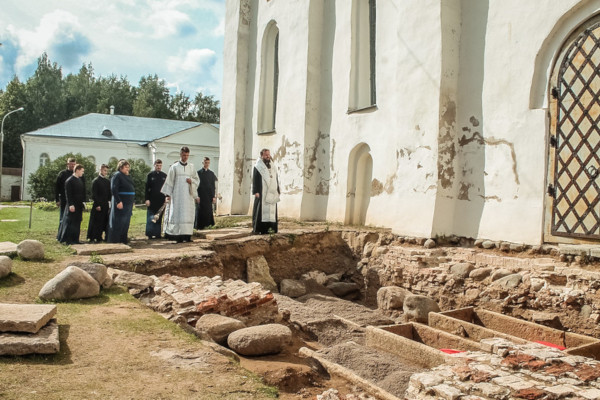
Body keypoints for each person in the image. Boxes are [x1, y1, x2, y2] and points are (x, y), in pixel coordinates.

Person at [161, 147, 199, 243]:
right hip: (177, 196)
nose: (185, 157)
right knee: (177, 214)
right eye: (183, 155)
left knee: (188, 215)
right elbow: (169, 181)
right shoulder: (174, 167)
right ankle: (177, 236)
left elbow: (197, 180)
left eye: (187, 155)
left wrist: (192, 181)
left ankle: (187, 236)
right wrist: (168, 194)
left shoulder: (191, 167)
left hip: (188, 196)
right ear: (180, 154)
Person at [252, 148, 280, 234]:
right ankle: (259, 229)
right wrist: (256, 191)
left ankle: (271, 229)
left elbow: (276, 178)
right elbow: (255, 179)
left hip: (271, 192)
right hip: (261, 192)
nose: (268, 156)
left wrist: (278, 189)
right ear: (262, 155)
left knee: (271, 210)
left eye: (269, 154)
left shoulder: (273, 165)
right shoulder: (258, 166)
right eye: (266, 155)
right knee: (260, 211)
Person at [107, 159, 135, 244]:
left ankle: (123, 239)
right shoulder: (117, 175)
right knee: (118, 221)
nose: (128, 169)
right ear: (121, 167)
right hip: (121, 202)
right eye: (126, 167)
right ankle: (115, 240)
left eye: (128, 167)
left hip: (128, 203)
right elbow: (114, 189)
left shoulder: (126, 176)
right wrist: (118, 201)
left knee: (125, 222)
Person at [57, 164, 86, 244]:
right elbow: (68, 194)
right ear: (77, 170)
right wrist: (70, 204)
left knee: (77, 222)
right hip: (72, 204)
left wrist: (83, 202)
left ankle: (75, 239)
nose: (82, 173)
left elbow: (81, 193)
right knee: (71, 222)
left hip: (78, 205)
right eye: (82, 171)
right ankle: (68, 240)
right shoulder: (69, 180)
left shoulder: (79, 180)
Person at [86, 164, 111, 242]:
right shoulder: (96, 181)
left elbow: (109, 194)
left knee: (103, 221)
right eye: (104, 170)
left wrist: (109, 203)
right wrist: (97, 204)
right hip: (98, 204)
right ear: (100, 170)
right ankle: (93, 237)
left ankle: (99, 237)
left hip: (105, 204)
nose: (106, 172)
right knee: (96, 221)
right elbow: (94, 194)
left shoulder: (107, 181)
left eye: (107, 171)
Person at [145, 159, 167, 239]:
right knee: (151, 216)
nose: (159, 167)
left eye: (160, 165)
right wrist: (147, 199)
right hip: (151, 199)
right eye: (157, 165)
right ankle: (150, 234)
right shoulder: (150, 175)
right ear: (154, 165)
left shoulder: (164, 176)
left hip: (161, 200)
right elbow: (147, 188)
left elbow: (166, 188)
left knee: (159, 217)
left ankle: (157, 234)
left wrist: (166, 197)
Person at [55, 157, 76, 239]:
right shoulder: (62, 174)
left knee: (72, 219)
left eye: (74, 164)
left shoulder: (76, 174)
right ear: (67, 164)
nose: (72, 166)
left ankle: (70, 235)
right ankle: (60, 235)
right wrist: (57, 199)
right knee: (62, 217)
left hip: (73, 200)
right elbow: (57, 188)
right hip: (64, 199)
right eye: (71, 164)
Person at [195, 157, 218, 230]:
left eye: (208, 163)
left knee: (208, 211)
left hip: (208, 195)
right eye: (205, 162)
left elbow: (213, 186)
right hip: (201, 195)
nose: (207, 164)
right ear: (203, 163)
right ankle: (199, 226)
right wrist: (196, 196)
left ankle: (208, 225)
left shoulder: (211, 173)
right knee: (200, 210)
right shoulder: (198, 173)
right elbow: (196, 185)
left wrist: (213, 196)